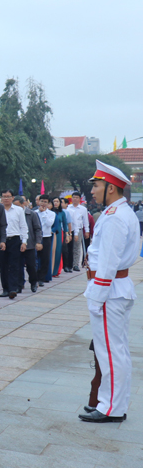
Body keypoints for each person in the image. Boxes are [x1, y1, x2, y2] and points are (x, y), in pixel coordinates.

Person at [79, 161, 140, 423]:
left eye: (96, 186)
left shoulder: (115, 217)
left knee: (111, 352)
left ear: (111, 188)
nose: (92, 191)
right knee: (115, 350)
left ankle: (111, 408)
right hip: (116, 289)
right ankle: (111, 402)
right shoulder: (117, 212)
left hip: (110, 291)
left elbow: (108, 262)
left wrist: (96, 297)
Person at [0, 190, 28, 300]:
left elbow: (23, 226)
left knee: (14, 265)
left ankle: (13, 288)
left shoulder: (18, 210)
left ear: (12, 198)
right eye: (4, 196)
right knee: (3, 265)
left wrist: (24, 241)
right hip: (2, 240)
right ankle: (5, 289)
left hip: (15, 239)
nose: (6, 199)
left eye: (8, 196)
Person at [18, 196, 41, 292]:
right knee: (18, 266)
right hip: (17, 243)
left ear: (23, 204)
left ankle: (33, 282)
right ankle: (19, 284)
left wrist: (38, 242)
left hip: (30, 243)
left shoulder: (31, 214)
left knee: (31, 265)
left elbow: (37, 229)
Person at [35, 195, 55, 284]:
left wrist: (43, 213)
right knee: (34, 258)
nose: (43, 203)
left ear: (48, 203)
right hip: (36, 237)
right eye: (42, 201)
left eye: (45, 202)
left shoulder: (51, 214)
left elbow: (49, 224)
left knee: (45, 258)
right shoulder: (34, 212)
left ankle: (41, 278)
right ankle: (35, 276)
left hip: (46, 237)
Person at [69, 191, 89, 271]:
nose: (75, 199)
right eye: (74, 197)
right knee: (69, 247)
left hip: (79, 229)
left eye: (77, 197)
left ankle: (75, 264)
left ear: (80, 199)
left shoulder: (83, 209)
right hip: (70, 229)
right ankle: (69, 264)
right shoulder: (68, 208)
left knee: (77, 247)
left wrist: (87, 230)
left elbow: (85, 221)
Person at [54, 197, 71, 275]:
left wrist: (67, 235)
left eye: (57, 201)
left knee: (58, 251)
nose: (55, 203)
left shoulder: (62, 212)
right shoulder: (50, 212)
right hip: (50, 232)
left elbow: (65, 225)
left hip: (59, 232)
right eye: (54, 201)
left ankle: (57, 270)